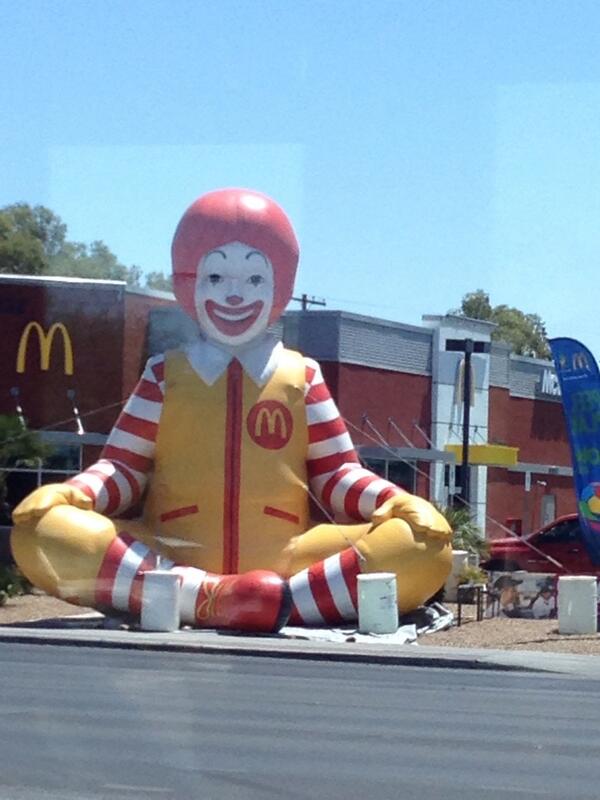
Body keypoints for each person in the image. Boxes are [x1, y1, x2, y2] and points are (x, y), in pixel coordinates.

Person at [11, 188, 452, 632]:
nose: (235, 296)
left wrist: (396, 501)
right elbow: (124, 472)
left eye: (255, 280)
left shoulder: (302, 377)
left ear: (280, 284)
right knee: (39, 531)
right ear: (189, 283)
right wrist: (76, 495)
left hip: (291, 557)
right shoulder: (166, 376)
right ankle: (218, 600)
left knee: (425, 546)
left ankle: (263, 601)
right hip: (167, 554)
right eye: (216, 278)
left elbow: (338, 477)